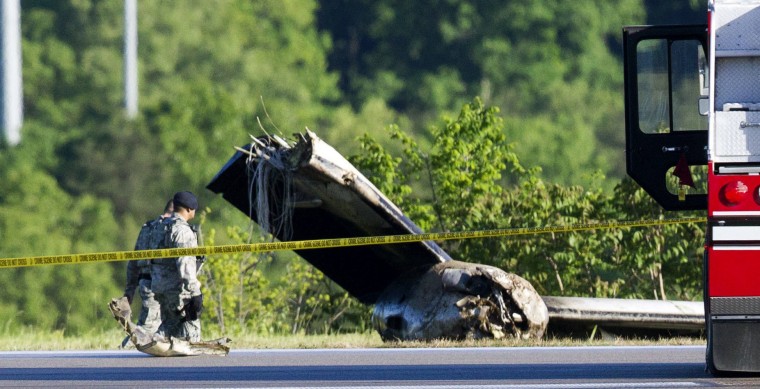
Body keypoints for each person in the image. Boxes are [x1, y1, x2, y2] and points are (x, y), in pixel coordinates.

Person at [151, 191, 204, 342]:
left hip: (160, 286)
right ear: (189, 209)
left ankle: (158, 340)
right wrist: (195, 292)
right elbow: (185, 263)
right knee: (191, 332)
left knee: (170, 324)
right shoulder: (183, 231)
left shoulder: (159, 228)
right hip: (179, 290)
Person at [121, 199, 174, 347]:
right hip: (158, 286)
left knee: (156, 329)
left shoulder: (148, 227)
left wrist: (129, 290)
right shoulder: (171, 228)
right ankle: (123, 353)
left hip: (147, 284)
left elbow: (134, 260)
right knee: (146, 330)